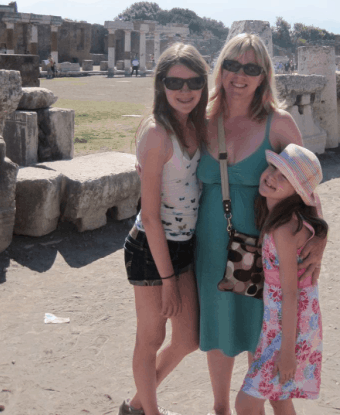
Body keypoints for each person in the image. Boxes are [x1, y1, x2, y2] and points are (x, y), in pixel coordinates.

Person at [195, 33, 327, 415]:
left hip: (262, 250)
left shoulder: (278, 123)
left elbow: (307, 185)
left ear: (263, 75)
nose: (239, 75)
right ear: (221, 69)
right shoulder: (202, 120)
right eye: (233, 65)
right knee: (219, 330)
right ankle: (220, 409)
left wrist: (321, 237)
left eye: (250, 68)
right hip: (210, 245)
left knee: (262, 330)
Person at [119, 43, 209, 415]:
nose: (184, 91)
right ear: (162, 85)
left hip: (182, 245)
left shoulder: (195, 125)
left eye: (193, 82)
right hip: (151, 247)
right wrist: (168, 280)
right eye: (175, 82)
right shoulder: (156, 135)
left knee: (187, 339)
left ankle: (137, 406)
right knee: (152, 337)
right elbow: (151, 216)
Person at [236, 144, 328, 415]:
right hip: (284, 323)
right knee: (278, 398)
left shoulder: (284, 229)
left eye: (284, 177)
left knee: (246, 404)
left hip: (288, 327)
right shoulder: (286, 220)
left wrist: (287, 350)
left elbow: (291, 292)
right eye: (274, 168)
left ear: (297, 192)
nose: (272, 176)